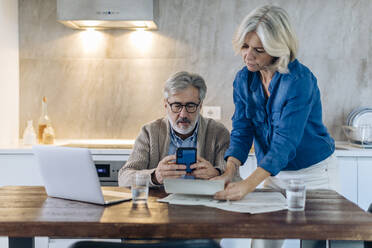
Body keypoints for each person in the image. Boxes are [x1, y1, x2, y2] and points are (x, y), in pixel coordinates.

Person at [214, 6, 339, 247]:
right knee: (262, 242)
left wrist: (248, 185)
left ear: (278, 50)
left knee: (314, 243)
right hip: (276, 174)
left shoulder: (299, 81)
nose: (247, 56)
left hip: (315, 175)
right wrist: (231, 171)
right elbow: (242, 129)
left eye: (258, 50)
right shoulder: (244, 78)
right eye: (244, 46)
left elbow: (285, 143)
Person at [119, 71, 238, 187]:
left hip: (203, 204)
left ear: (200, 106)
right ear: (166, 105)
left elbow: (234, 178)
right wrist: (154, 176)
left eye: (190, 106)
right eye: (177, 106)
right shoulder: (149, 132)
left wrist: (216, 173)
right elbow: (124, 177)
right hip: (160, 204)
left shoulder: (218, 132)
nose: (183, 114)